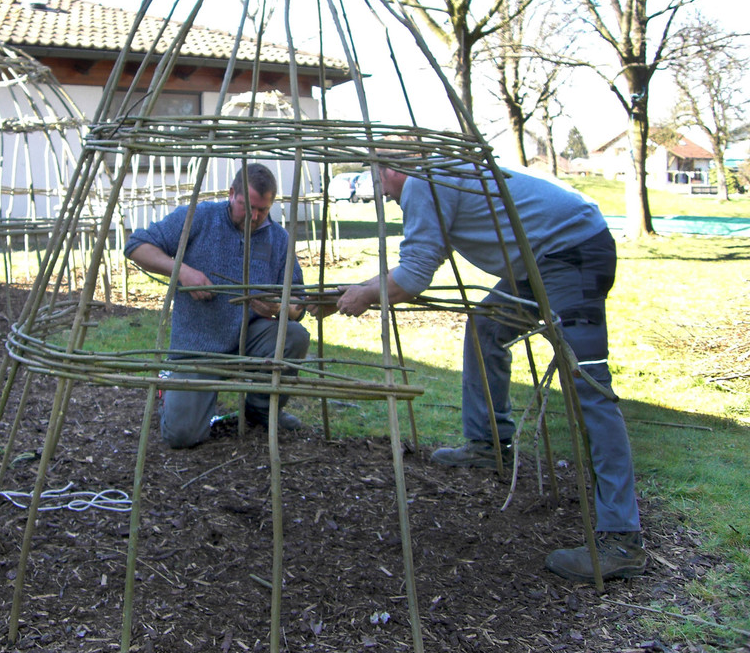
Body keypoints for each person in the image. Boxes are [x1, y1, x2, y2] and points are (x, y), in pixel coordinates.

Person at [334, 158, 645, 583]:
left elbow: (413, 277)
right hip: (538, 260)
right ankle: (489, 444)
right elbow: (421, 259)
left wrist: (367, 294)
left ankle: (621, 538)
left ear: (392, 168)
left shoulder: (423, 182)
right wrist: (359, 290)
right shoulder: (440, 175)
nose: (379, 190)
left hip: (571, 252)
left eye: (377, 175)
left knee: (587, 382)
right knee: (487, 327)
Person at [125, 163, 310, 449]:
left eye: (263, 210)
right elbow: (137, 245)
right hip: (197, 346)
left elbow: (299, 300)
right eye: (247, 207)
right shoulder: (200, 217)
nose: (255, 217)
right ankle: (171, 391)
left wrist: (279, 307)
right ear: (231, 193)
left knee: (294, 336)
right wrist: (182, 271)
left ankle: (261, 410)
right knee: (182, 437)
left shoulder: (278, 238)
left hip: (249, 340)